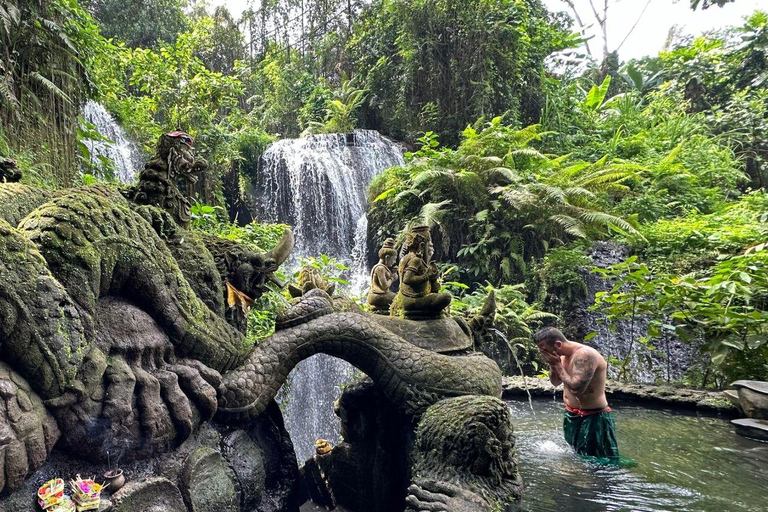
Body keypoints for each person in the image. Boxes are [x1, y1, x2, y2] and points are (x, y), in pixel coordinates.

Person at [534, 327, 620, 462]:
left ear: (558, 344)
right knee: (577, 456)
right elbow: (555, 382)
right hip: (571, 414)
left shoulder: (584, 355)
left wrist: (557, 364)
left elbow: (576, 388)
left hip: (593, 417)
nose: (542, 353)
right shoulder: (561, 357)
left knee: (597, 462)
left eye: (544, 349)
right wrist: (553, 364)